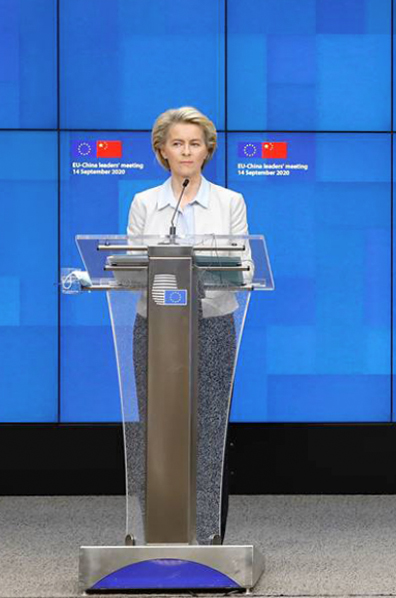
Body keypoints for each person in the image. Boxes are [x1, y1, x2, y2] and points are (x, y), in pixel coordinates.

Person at [126, 106, 249, 545]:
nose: (186, 151)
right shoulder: (145, 203)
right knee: (156, 429)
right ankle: (159, 534)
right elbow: (131, 270)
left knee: (210, 430)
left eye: (195, 144)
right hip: (155, 330)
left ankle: (208, 537)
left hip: (213, 326)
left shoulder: (230, 202)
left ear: (207, 151)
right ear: (162, 150)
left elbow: (245, 267)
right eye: (177, 143)